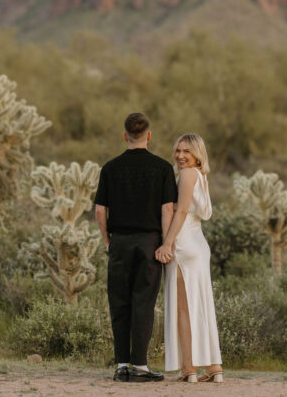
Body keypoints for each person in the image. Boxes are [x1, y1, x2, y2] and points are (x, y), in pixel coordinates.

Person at [94, 112, 177, 383]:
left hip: (119, 242)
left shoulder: (110, 168)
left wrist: (108, 240)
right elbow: (167, 209)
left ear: (124, 135)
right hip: (149, 243)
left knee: (119, 303)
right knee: (143, 302)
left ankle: (121, 365)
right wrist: (166, 242)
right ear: (149, 136)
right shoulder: (163, 168)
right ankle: (140, 366)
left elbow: (100, 210)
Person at [155, 133, 223, 383]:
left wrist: (168, 242)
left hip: (183, 244)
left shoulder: (186, 174)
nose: (181, 156)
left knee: (183, 308)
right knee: (202, 306)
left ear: (197, 154)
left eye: (187, 151)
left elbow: (180, 210)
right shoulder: (201, 176)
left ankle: (188, 368)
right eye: (178, 151)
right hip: (198, 244)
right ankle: (214, 366)